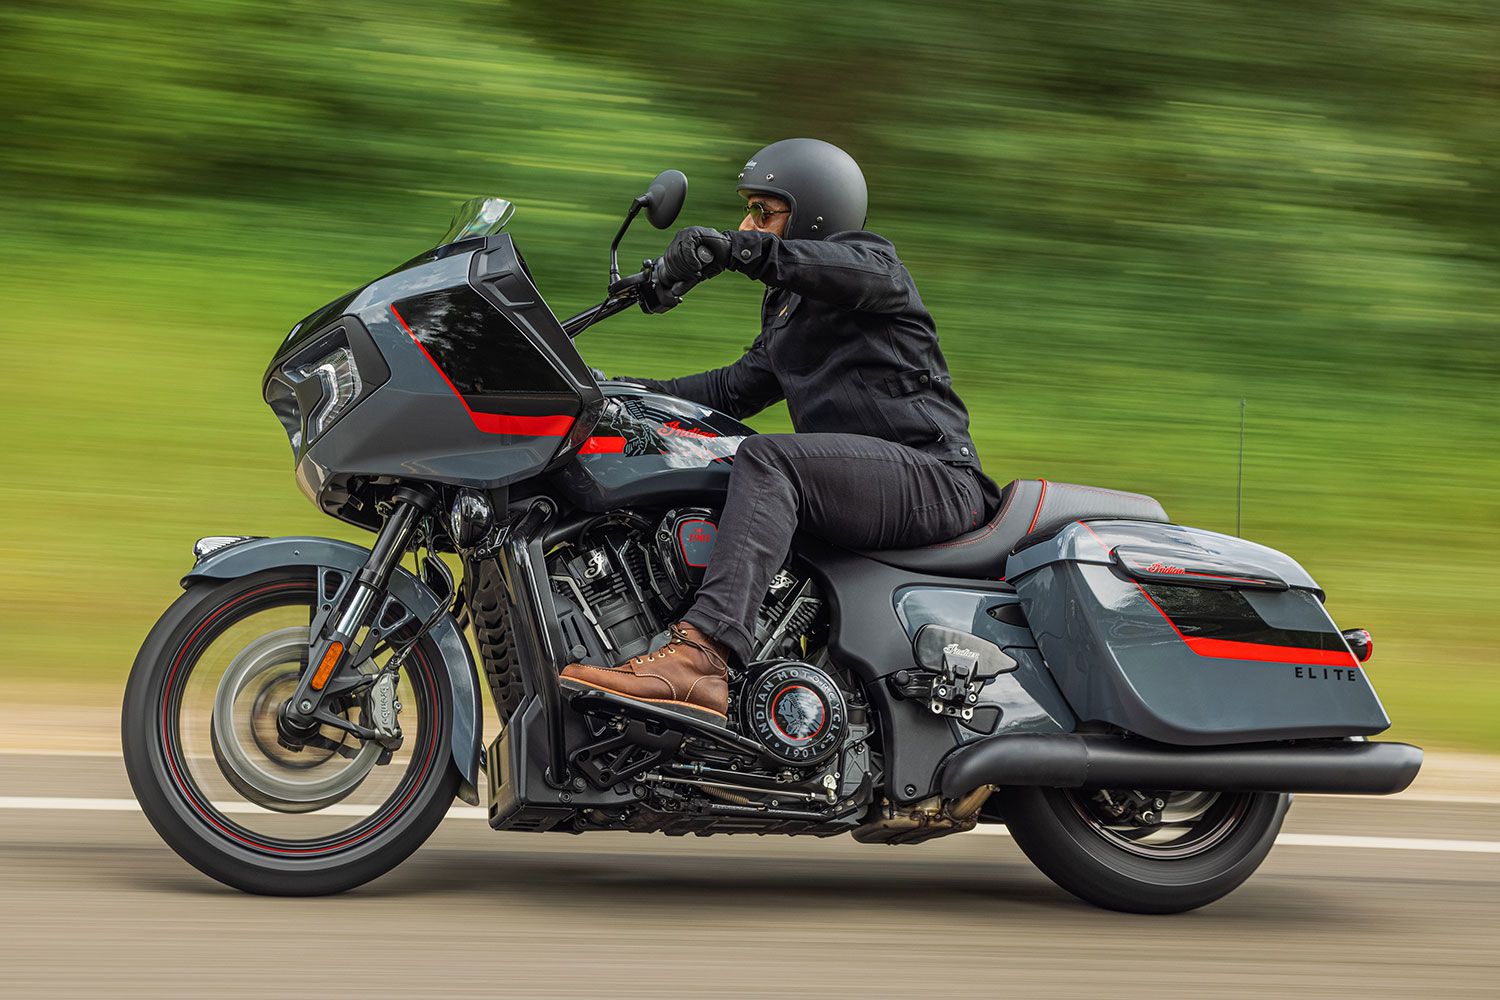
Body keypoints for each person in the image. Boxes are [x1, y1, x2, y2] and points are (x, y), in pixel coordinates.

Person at [560, 137, 1002, 724]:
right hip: (864, 483)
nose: (748, 222)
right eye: (747, 211)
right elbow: (730, 391)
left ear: (816, 214)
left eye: (764, 212)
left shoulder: (871, 266)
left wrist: (730, 250)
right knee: (701, 455)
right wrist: (612, 393)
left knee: (769, 460)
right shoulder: (791, 310)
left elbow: (835, 269)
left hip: (935, 478)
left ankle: (701, 659)